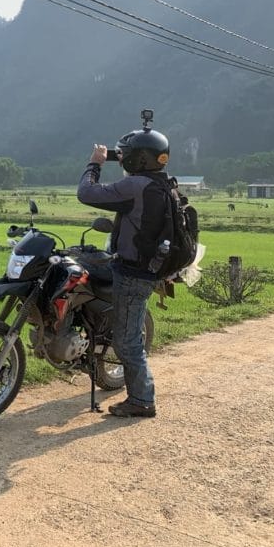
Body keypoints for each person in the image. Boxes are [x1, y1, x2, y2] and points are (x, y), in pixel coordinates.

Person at [76, 120, 171, 418]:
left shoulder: (135, 186)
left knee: (127, 341)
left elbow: (87, 193)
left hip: (132, 273)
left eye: (126, 154)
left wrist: (95, 164)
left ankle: (142, 400)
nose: (124, 158)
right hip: (147, 269)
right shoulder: (161, 183)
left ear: (137, 158)